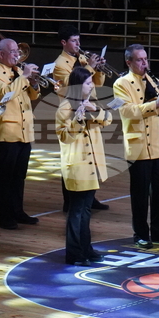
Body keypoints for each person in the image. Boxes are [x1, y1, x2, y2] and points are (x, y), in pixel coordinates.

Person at [113, 45, 159, 248]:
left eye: (146, 59)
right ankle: (140, 233)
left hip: (157, 145)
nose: (144, 64)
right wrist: (155, 104)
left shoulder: (154, 81)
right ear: (129, 62)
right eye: (140, 60)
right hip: (138, 146)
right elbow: (127, 111)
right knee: (140, 194)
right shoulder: (121, 84)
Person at [57, 66, 113, 265]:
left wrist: (93, 109)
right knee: (77, 211)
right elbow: (64, 137)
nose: (92, 86)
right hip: (77, 166)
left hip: (92, 165)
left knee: (86, 210)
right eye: (88, 83)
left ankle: (86, 249)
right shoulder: (64, 107)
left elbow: (108, 119)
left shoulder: (91, 103)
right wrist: (77, 119)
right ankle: (74, 254)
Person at [0, 38, 41, 230]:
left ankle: (18, 211)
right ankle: (4, 216)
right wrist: (24, 77)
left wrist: (33, 83)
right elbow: (3, 96)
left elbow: (33, 96)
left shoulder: (17, 72)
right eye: (13, 52)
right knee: (4, 178)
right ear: (0, 54)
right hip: (6, 132)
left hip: (24, 130)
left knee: (19, 177)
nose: (18, 55)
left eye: (18, 51)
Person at [52, 24, 110, 213]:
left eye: (79, 40)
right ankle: (69, 201)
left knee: (90, 155)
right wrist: (89, 68)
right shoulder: (60, 64)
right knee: (73, 157)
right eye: (74, 41)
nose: (78, 44)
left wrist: (98, 69)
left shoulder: (82, 59)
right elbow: (71, 84)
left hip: (87, 103)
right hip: (70, 107)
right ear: (64, 43)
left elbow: (97, 83)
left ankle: (89, 196)